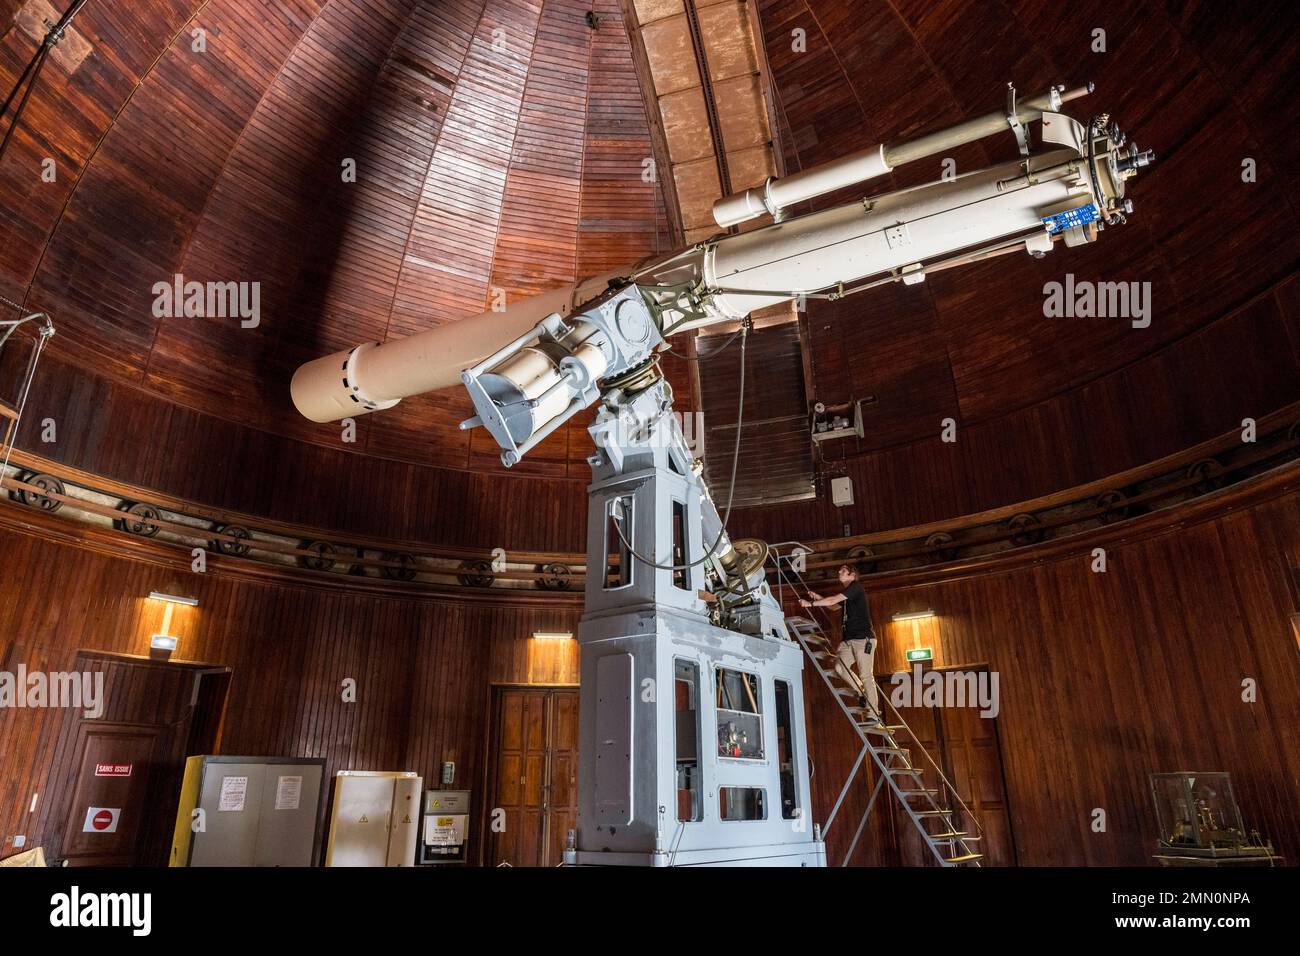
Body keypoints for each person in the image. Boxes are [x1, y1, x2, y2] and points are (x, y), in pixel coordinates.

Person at [800, 565, 881, 724]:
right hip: (848, 640)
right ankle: (861, 692)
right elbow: (832, 606)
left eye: (843, 570)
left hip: (863, 639)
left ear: (852, 575)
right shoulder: (847, 595)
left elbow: (832, 600)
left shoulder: (856, 588)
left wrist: (810, 604)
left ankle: (873, 713)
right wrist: (817, 597)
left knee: (866, 675)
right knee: (839, 668)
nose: (839, 572)